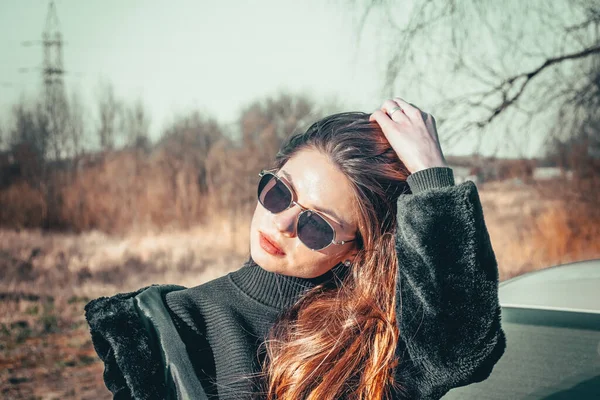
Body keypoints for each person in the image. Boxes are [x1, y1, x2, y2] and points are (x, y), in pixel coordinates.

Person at [85, 98, 506, 400]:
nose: (282, 223)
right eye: (279, 191)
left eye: (318, 226)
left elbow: (462, 353)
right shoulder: (168, 327)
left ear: (355, 250)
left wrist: (432, 181)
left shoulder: (372, 344)